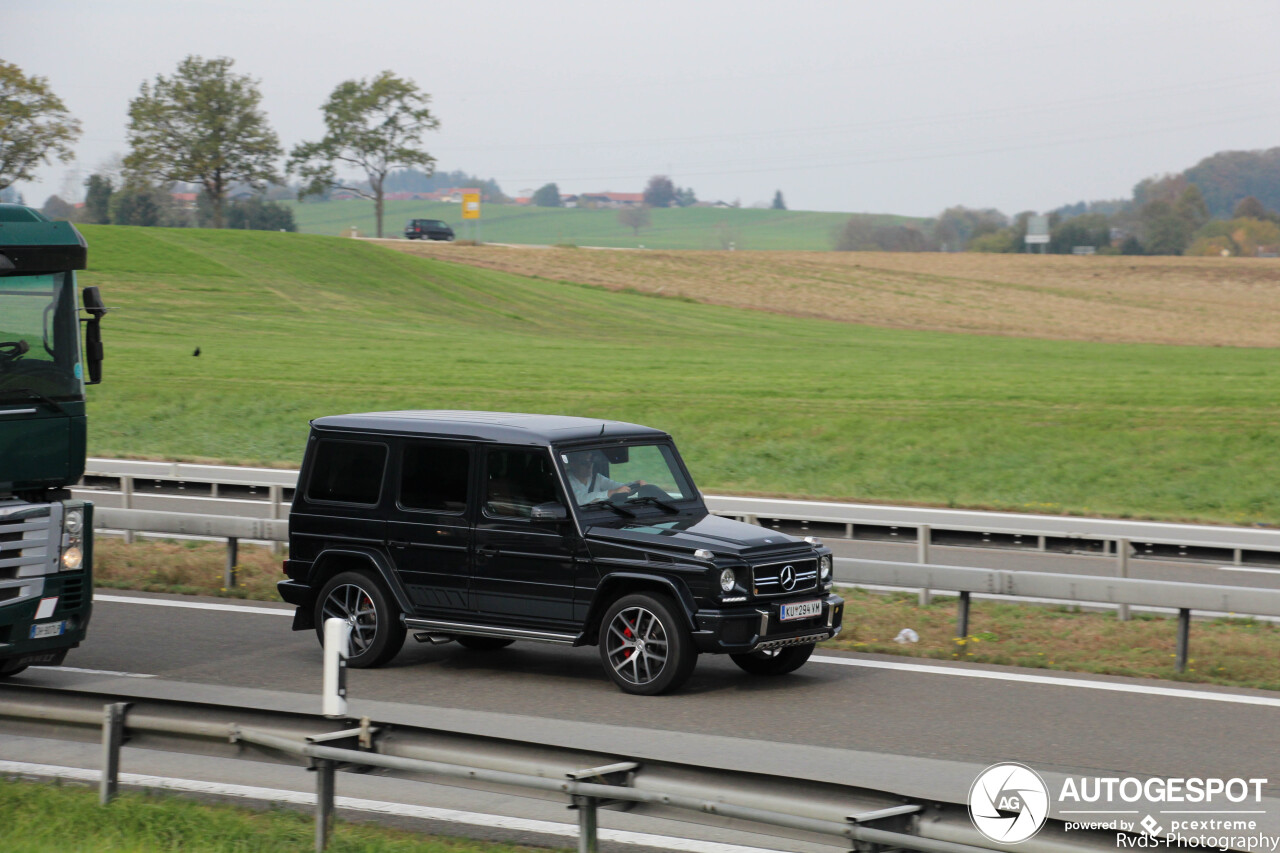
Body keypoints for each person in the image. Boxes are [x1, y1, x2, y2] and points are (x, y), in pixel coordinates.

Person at [564, 451, 643, 504]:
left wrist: (636, 484)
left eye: (591, 462)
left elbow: (618, 487)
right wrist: (610, 493)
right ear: (573, 464)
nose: (589, 466)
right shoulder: (565, 480)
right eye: (584, 463)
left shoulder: (596, 478)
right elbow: (579, 500)